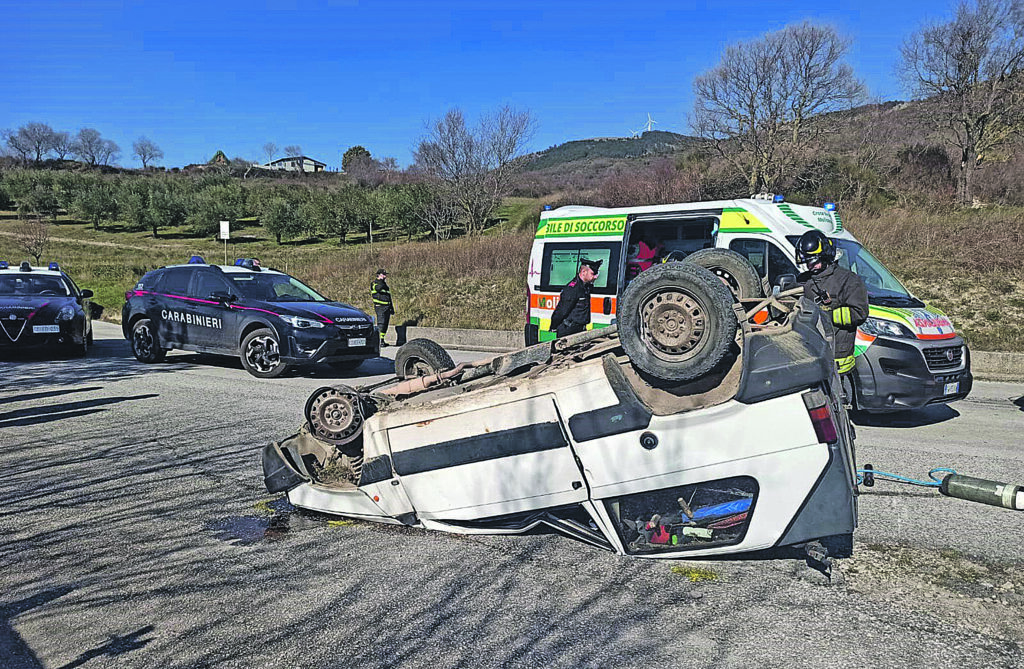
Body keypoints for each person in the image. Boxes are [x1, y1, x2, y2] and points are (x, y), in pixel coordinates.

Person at [794, 230, 868, 376]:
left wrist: (826, 315)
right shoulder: (804, 281)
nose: (810, 266)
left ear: (825, 256)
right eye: (807, 262)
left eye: (813, 261)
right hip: (810, 354)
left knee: (840, 396)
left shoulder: (848, 280)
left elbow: (859, 313)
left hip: (838, 359)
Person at [549, 258, 602, 338]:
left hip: (579, 330)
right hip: (569, 332)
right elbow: (561, 311)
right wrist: (553, 326)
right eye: (593, 273)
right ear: (584, 272)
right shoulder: (573, 288)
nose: (595, 277)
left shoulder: (585, 287)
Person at [371, 269, 395, 348]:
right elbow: (378, 288)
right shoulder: (375, 283)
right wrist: (380, 280)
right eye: (383, 274)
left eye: (385, 274)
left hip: (387, 307)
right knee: (381, 323)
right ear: (379, 275)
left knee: (385, 324)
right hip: (380, 306)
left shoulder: (385, 285)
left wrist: (391, 307)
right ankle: (379, 341)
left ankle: (382, 339)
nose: (385, 276)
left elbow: (389, 296)